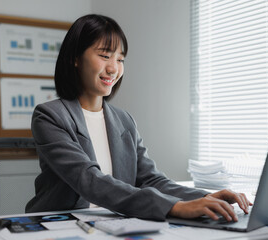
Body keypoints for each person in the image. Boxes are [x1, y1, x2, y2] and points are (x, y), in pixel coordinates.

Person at [26, 14, 252, 221]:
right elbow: (89, 179)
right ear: (75, 58)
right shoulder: (49, 116)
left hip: (115, 222)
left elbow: (152, 180)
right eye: (105, 55)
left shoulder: (125, 121)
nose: (113, 68)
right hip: (61, 224)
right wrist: (174, 207)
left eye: (120, 59)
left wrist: (207, 197)